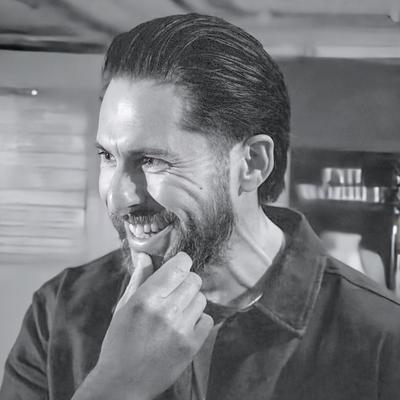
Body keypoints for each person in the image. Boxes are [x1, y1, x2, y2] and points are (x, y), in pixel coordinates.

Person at [1, 13, 400, 400]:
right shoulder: (58, 313)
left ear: (252, 163)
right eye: (107, 156)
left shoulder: (382, 339)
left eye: (151, 160)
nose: (119, 197)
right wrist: (117, 385)